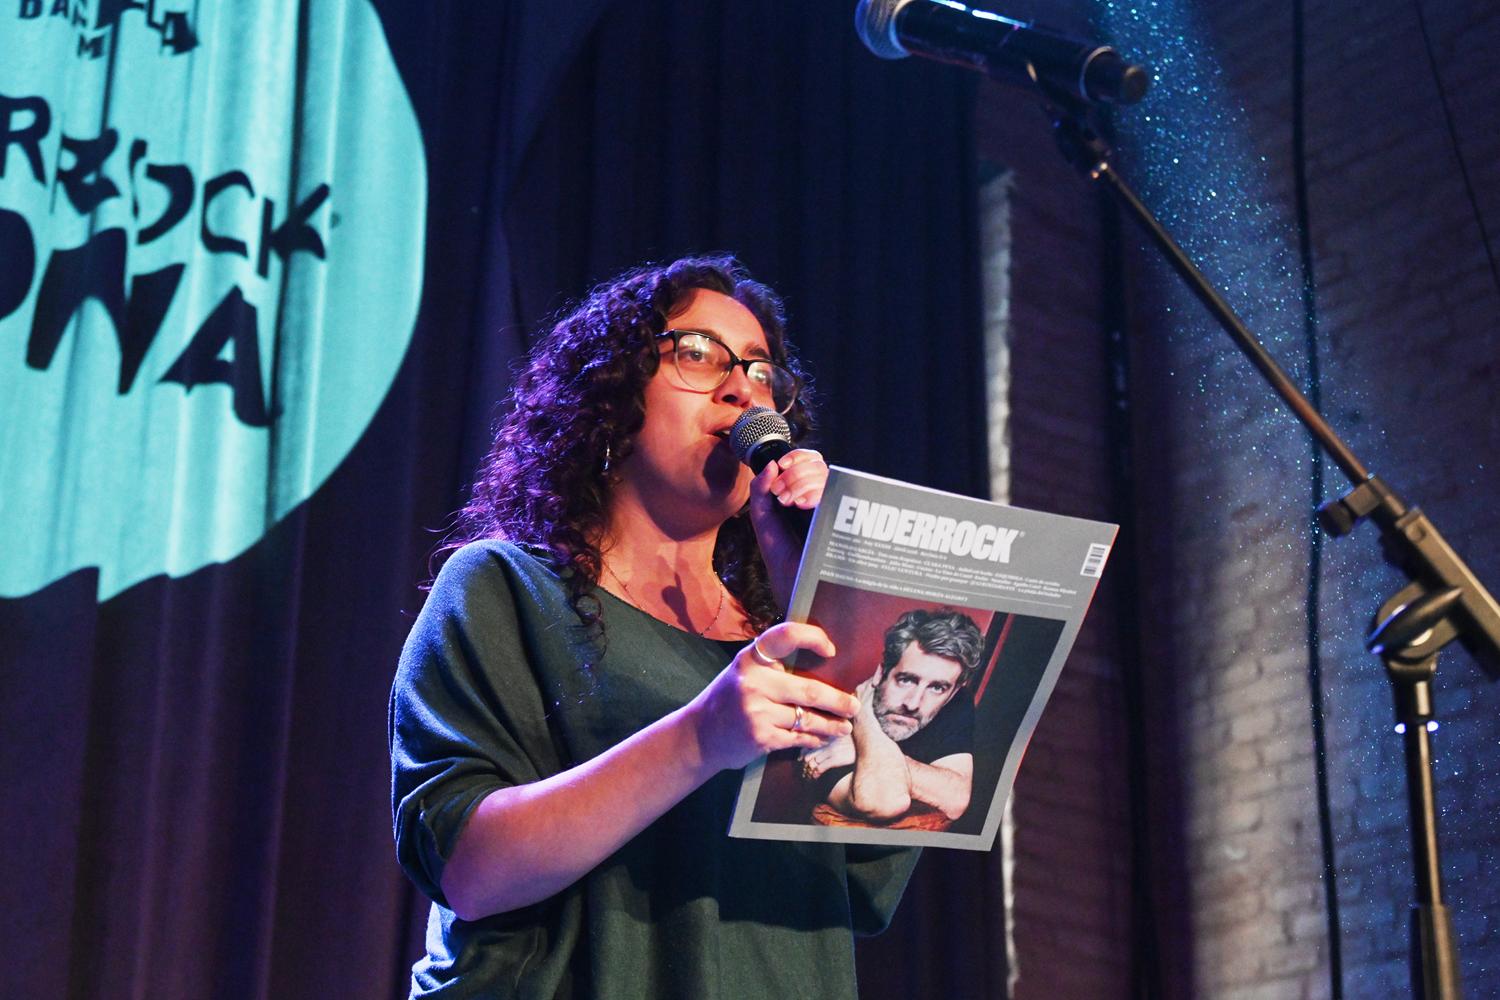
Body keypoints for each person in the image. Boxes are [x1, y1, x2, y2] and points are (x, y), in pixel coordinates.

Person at [390, 256, 921, 999]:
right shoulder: (505, 586)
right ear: (613, 394)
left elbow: (864, 876)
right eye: (699, 354)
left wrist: (821, 597)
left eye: (762, 372)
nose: (742, 389)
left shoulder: (793, 643)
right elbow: (468, 870)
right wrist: (704, 737)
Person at [799, 609, 981, 831]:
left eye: (937, 688)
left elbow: (956, 800)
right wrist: (863, 715)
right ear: (881, 672)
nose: (913, 703)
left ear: (952, 693)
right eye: (906, 680)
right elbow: (883, 802)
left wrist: (860, 752)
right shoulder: (831, 726)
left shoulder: (955, 703)